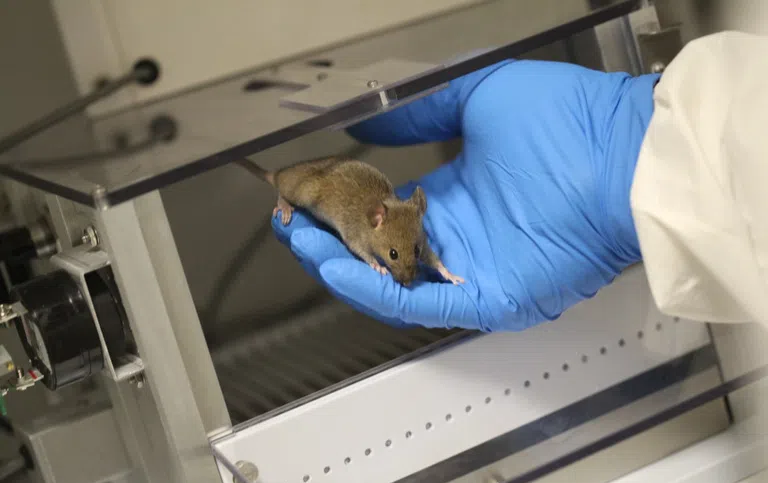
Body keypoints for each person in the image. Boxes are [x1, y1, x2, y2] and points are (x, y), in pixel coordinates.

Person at [271, 31, 768, 333]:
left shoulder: (408, 226)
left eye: (407, 257)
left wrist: (631, 134)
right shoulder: (371, 223)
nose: (406, 265)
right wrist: (637, 128)